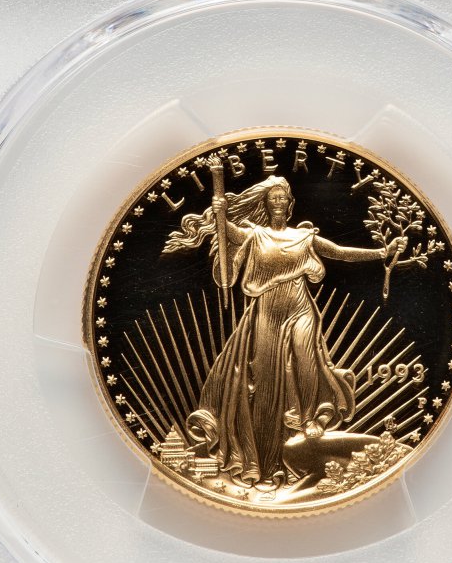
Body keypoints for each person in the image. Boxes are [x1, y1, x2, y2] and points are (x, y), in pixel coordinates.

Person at [163, 175, 405, 490]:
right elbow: (228, 231)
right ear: (266, 203)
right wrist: (220, 213)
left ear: (290, 204)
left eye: (283, 198)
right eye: (273, 198)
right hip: (267, 310)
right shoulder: (255, 235)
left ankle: (311, 419)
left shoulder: (304, 237)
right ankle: (265, 462)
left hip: (300, 307)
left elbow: (340, 252)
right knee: (264, 378)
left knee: (306, 360)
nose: (278, 202)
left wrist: (382, 252)